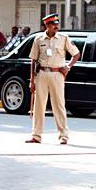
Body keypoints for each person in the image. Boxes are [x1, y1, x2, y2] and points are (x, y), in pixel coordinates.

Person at [25, 14, 80, 145]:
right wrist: (32, 80)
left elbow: (76, 54)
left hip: (57, 74)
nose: (56, 26)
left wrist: (68, 67)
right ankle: (36, 136)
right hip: (42, 74)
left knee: (59, 106)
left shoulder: (63, 38)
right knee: (39, 106)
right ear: (47, 26)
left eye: (57, 24)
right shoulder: (39, 39)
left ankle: (63, 136)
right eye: (53, 24)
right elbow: (33, 60)